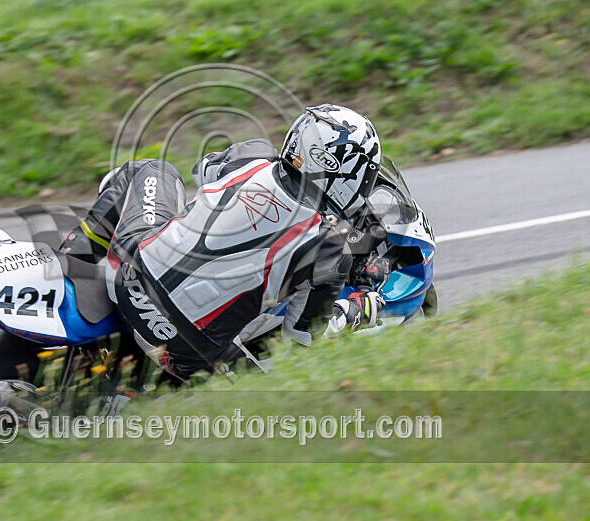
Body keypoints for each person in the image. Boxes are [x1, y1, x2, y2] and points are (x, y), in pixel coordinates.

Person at [61, 104, 387, 378]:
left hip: (129, 277)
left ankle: (73, 257)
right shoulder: (331, 247)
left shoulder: (253, 156)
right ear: (346, 172)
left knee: (152, 169)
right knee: (271, 341)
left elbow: (203, 169)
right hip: (185, 352)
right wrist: (354, 309)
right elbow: (304, 338)